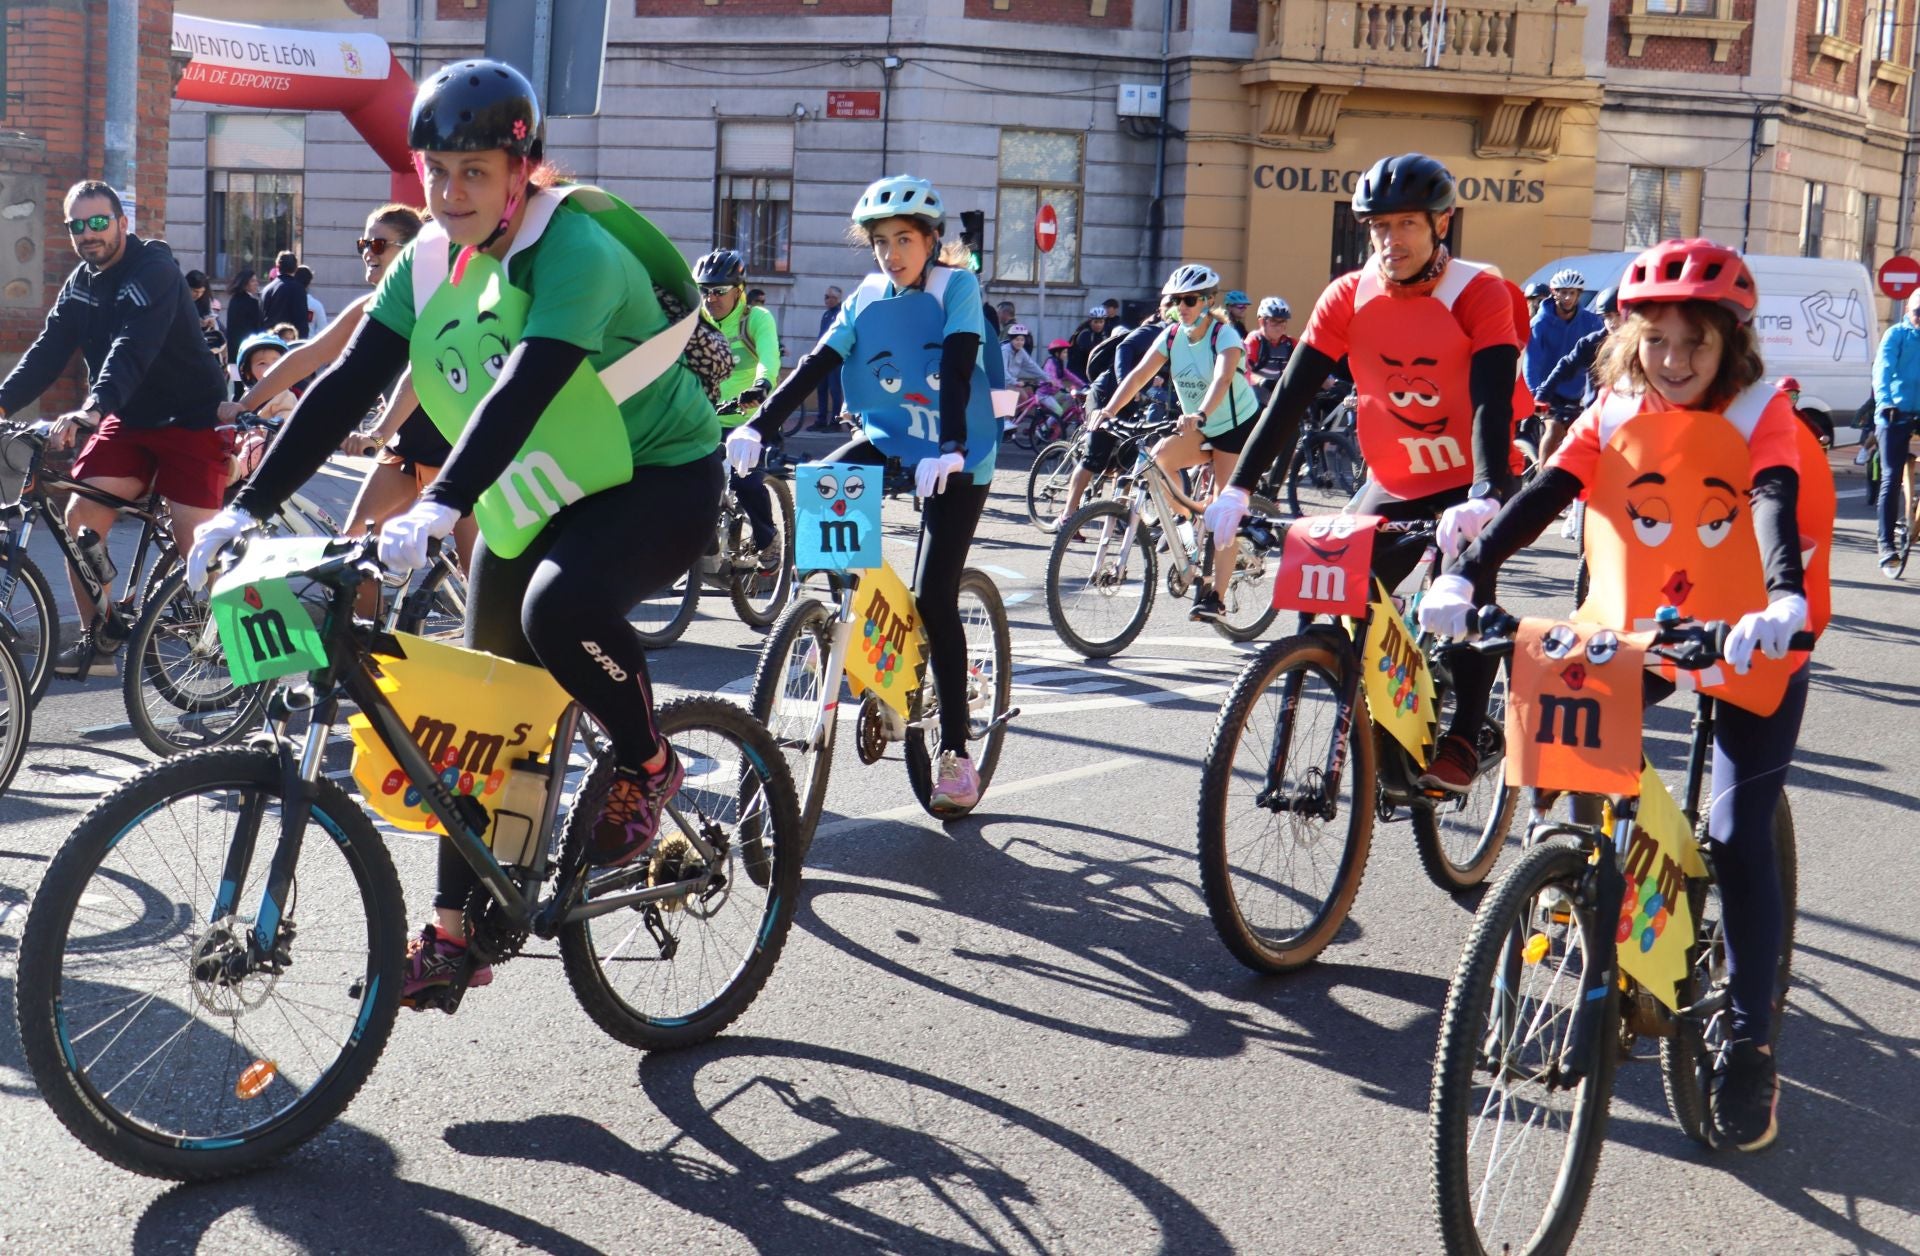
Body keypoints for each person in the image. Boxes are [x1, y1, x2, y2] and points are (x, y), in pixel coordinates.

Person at [187, 59, 725, 1009]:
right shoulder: (429, 255)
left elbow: (528, 382)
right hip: (543, 483)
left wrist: (438, 506)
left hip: (657, 474)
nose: (450, 192)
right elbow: (350, 381)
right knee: (477, 708)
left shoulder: (576, 252)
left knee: (562, 610)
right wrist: (248, 504)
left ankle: (649, 761)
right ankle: (454, 935)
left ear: (523, 170)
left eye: (474, 171)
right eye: (436, 170)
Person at [1421, 236, 1828, 1153]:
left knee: (1733, 836)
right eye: (1657, 342)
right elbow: (1546, 490)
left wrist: (1784, 598)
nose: (1675, 363)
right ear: (1629, 340)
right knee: (1572, 765)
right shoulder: (1610, 408)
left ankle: (1752, 1048)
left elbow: (1770, 493)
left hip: (1754, 628)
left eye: (1697, 344)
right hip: (1643, 614)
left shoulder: (1764, 409)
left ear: (1732, 345)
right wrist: (1469, 571)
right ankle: (1586, 890)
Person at [1204, 152, 1521, 791]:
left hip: (1475, 477)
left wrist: (1486, 496)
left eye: (1406, 224)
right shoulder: (1347, 296)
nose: (1390, 240)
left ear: (1441, 224)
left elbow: (1491, 399)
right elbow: (1290, 399)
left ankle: (1466, 733)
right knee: (1346, 579)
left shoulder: (1476, 292)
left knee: (1458, 586)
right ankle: (1388, 703)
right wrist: (1239, 488)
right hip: (1398, 477)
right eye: (1379, 226)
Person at [744, 172, 1000, 812]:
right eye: (881, 242)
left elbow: (961, 365)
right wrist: (757, 425)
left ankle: (957, 754)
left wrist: (949, 449)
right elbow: (817, 366)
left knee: (935, 592)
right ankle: (848, 624)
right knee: (824, 487)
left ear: (932, 240)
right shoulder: (865, 297)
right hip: (890, 437)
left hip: (959, 449)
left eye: (904, 239)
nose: (892, 254)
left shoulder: (956, 288)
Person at [0, 179, 228, 675]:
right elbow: (47, 350)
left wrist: (93, 408)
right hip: (129, 420)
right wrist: (2, 403)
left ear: (123, 223)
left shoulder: (155, 271)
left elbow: (132, 346)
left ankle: (250, 655)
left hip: (191, 418)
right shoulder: (82, 282)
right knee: (80, 516)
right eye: (77, 225)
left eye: (99, 222)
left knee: (199, 544)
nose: (89, 233)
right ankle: (99, 640)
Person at [222, 204, 480, 587]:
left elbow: (420, 377)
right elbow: (310, 355)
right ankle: (363, 642)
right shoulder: (370, 307)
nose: (367, 252)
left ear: (414, 251)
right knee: (354, 546)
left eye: (378, 243)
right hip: (406, 449)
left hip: (457, 450)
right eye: (363, 242)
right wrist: (245, 403)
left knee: (477, 574)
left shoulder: (442, 299)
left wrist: (376, 433)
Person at [1087, 264, 1260, 620]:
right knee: (1159, 457)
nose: (1182, 306)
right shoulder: (1171, 335)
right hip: (1199, 423)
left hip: (1234, 425)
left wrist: (1200, 413)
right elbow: (1138, 376)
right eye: (1177, 300)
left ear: (1208, 301)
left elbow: (1223, 377)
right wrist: (1107, 410)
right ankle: (1187, 530)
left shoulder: (1223, 334)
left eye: (1190, 300)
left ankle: (1216, 597)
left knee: (1223, 511)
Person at [696, 247, 782, 565]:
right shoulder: (698, 321)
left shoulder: (756, 319)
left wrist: (762, 386)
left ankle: (768, 540)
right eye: (704, 291)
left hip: (748, 416)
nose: (711, 298)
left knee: (745, 481)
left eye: (719, 291)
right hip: (708, 414)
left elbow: (769, 361)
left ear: (739, 290)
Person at [1061, 299, 1172, 525]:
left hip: (1131, 403)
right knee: (1094, 459)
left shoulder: (1179, 340)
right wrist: (1125, 384)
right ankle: (1068, 515)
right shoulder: (1154, 331)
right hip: (1106, 395)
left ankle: (1115, 518)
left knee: (1126, 462)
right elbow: (1124, 348)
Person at [1526, 268, 1605, 465]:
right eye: (1563, 292)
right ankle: (1541, 480)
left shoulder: (1592, 322)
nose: (1568, 297)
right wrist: (1536, 394)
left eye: (1573, 293)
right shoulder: (1540, 323)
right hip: (1549, 390)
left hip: (1581, 392)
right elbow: (1531, 362)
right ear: (1554, 293)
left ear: (1579, 294)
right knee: (1554, 430)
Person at [1870, 290, 1920, 577]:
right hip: (1894, 412)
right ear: (1907, 311)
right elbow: (1883, 371)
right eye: (1918, 313)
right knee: (1890, 475)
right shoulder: (1896, 335)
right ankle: (1885, 543)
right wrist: (1885, 401)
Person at [1536, 286, 1620, 412]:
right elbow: (1566, 365)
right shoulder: (1592, 343)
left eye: (1618, 315)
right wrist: (1542, 395)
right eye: (1607, 316)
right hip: (1595, 413)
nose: (1613, 322)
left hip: (1630, 413)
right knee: (1554, 430)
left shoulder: (1641, 343)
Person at [1243, 296, 1294, 405]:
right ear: (1262, 322)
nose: (1279, 327)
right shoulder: (1254, 341)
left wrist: (1330, 381)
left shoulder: (1290, 343)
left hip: (1280, 399)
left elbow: (1310, 362)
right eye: (1274, 321)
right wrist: (1261, 381)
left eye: (1283, 321)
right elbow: (1244, 370)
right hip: (1255, 401)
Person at [811, 285, 846, 430]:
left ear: (836, 299)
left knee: (835, 390)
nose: (826, 300)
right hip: (822, 359)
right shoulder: (826, 315)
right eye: (825, 297)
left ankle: (835, 422)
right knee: (822, 389)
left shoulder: (841, 315)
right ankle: (821, 420)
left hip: (835, 359)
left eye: (828, 297)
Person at [259, 249, 310, 332]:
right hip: (289, 340)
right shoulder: (298, 289)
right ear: (296, 268)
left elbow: (261, 319)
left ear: (277, 267)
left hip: (268, 340)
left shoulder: (267, 289)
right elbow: (301, 321)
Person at [1775, 376, 1833, 448]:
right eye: (1787, 396)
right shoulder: (1774, 415)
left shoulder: (1799, 414)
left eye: (1794, 396)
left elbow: (1811, 426)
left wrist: (1821, 436)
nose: (1791, 400)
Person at [185, 269, 226, 361]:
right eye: (195, 291)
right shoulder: (180, 302)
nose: (198, 295)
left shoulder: (204, 303)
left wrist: (209, 324)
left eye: (202, 292)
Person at [224, 268, 265, 347]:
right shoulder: (252, 303)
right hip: (249, 346)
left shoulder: (233, 300)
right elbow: (258, 328)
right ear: (244, 283)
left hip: (234, 346)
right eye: (252, 281)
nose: (256, 283)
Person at [1001, 323, 1048, 389]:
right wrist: (1015, 382)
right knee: (1023, 396)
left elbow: (1031, 365)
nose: (1019, 342)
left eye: (1022, 340)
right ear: (1011, 340)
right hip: (1001, 384)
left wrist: (1047, 378)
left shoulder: (1021, 351)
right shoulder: (1005, 351)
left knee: (1028, 393)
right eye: (1017, 339)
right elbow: (1003, 371)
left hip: (1011, 383)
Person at [1067, 304, 1107, 380]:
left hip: (1091, 372)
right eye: (1096, 322)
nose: (1099, 325)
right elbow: (1092, 352)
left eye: (1101, 322)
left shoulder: (1103, 334)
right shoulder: (1084, 333)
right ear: (1090, 321)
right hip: (1078, 372)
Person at [296, 265, 328, 332]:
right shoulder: (316, 305)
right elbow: (323, 329)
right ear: (309, 282)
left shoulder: (287, 303)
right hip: (310, 341)